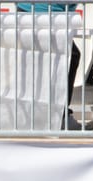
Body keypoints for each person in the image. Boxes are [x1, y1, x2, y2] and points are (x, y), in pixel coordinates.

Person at [16, 2, 82, 130]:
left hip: (47, 14)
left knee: (69, 57)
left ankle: (56, 115)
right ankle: (58, 117)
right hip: (39, 13)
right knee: (69, 57)